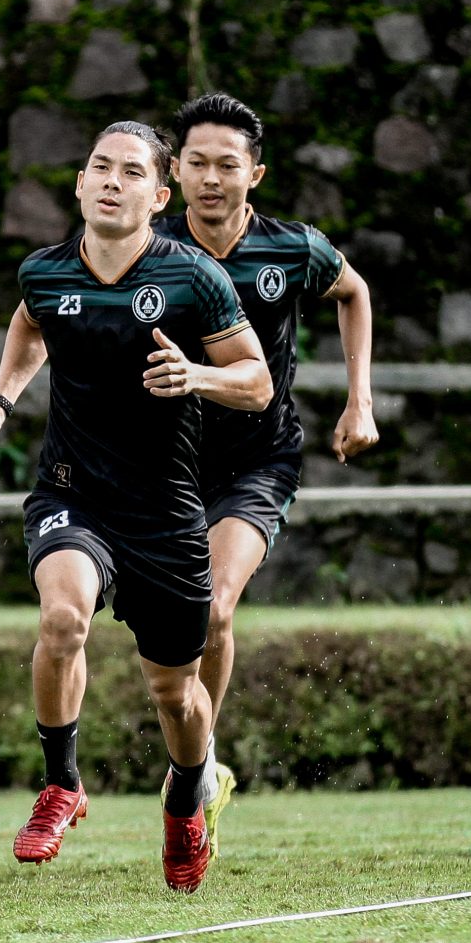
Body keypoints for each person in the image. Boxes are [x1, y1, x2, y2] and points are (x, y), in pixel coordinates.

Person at [0, 120, 271, 892]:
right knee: (62, 619)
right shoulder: (45, 272)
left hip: (165, 511)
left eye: (130, 171)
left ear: (159, 197)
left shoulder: (194, 278)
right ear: (80, 183)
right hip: (72, 490)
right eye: (99, 166)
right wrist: (0, 401)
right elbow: (33, 323)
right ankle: (62, 782)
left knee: (177, 695)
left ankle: (187, 795)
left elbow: (256, 381)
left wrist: (195, 375)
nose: (110, 180)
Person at [153, 92, 378, 854]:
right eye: (196, 163)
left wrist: (360, 399)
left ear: (256, 173)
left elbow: (354, 291)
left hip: (259, 458)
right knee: (176, 626)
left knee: (214, 607)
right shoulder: (146, 248)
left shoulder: (293, 249)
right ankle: (207, 764)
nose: (211, 178)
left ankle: (192, 775)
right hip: (164, 464)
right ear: (174, 172)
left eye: (227, 164)